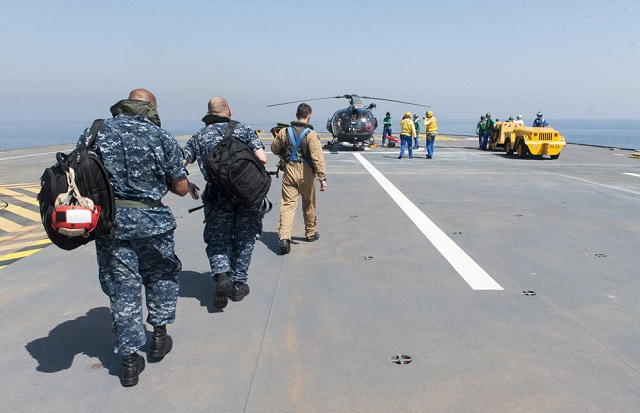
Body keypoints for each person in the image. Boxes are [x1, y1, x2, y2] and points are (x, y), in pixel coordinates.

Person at [77, 88, 196, 387]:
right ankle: (158, 336)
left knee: (123, 288)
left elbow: (79, 174)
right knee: (160, 277)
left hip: (111, 225)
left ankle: (129, 361)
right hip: (153, 223)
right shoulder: (162, 137)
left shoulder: (95, 131)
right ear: (151, 108)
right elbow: (180, 188)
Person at [183, 97, 267, 310]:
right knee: (245, 238)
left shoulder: (199, 136)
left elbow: (179, 164)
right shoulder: (245, 130)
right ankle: (239, 284)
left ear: (209, 113)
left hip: (217, 197)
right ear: (229, 111)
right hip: (247, 196)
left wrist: (188, 183)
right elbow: (263, 158)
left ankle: (222, 273)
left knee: (218, 238)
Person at [271, 103, 327, 255]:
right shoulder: (311, 135)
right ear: (309, 116)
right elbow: (317, 158)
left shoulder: (284, 132)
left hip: (289, 171)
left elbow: (274, 149)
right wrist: (322, 177)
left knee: (288, 205)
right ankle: (310, 233)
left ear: (296, 115)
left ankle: (284, 237)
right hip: (306, 172)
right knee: (308, 202)